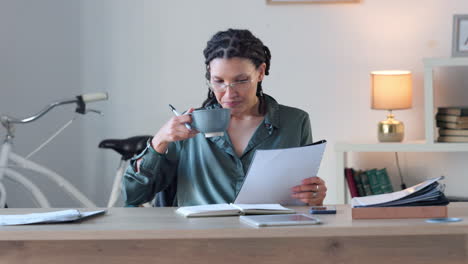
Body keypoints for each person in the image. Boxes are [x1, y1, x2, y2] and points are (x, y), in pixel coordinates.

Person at [123, 28, 327, 207]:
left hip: (270, 238)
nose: (229, 94)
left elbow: (303, 199)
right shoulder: (187, 127)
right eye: (218, 81)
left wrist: (313, 195)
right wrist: (160, 140)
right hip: (201, 242)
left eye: (241, 80)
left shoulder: (295, 122)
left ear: (261, 72)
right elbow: (133, 195)